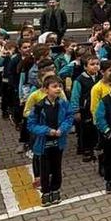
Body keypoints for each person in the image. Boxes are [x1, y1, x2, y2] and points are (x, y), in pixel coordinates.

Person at [29, 75, 74, 205]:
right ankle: (46, 192)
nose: (58, 89)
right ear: (45, 89)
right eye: (54, 86)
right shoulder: (39, 107)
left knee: (56, 168)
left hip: (58, 142)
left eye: (60, 86)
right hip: (44, 144)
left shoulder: (63, 104)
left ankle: (55, 189)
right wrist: (47, 131)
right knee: (45, 170)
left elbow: (69, 117)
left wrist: (62, 129)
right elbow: (31, 125)